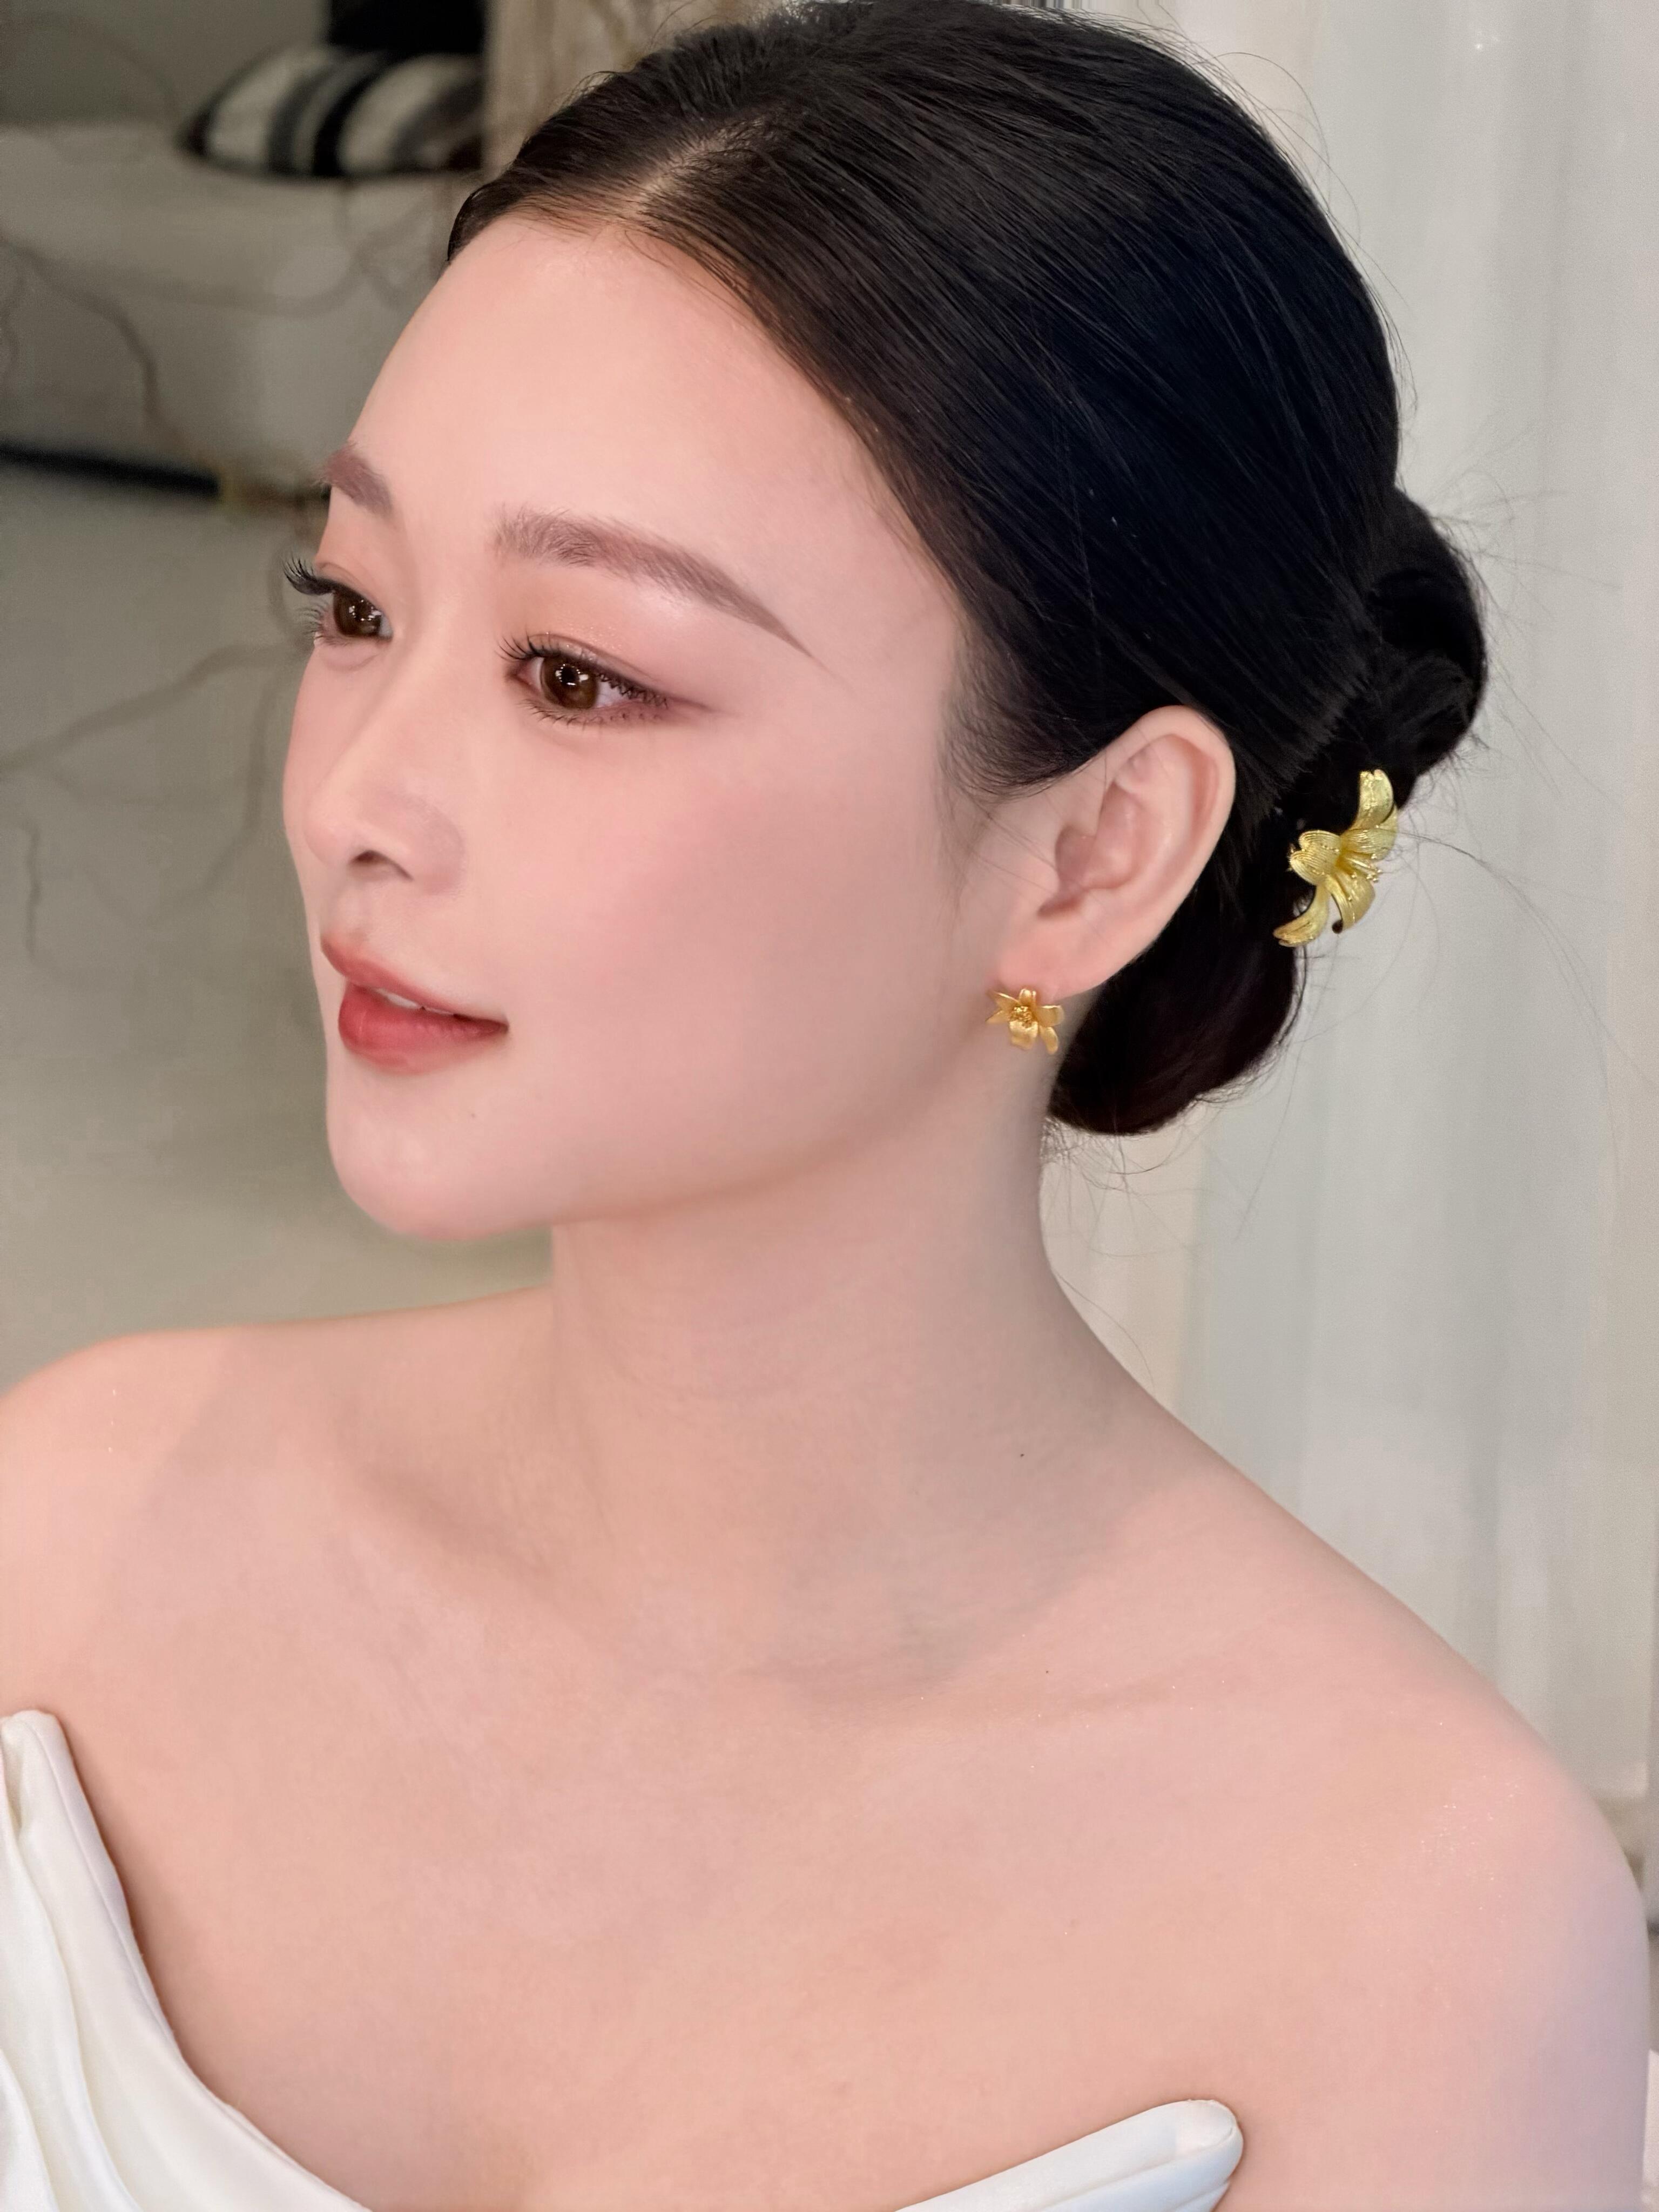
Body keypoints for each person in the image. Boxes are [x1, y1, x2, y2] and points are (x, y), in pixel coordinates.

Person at [0, 1, 1650, 2206]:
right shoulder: (74, 1536)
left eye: (578, 673)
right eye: (355, 603)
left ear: (1096, 852)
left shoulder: (1414, 1932)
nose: (357, 799)